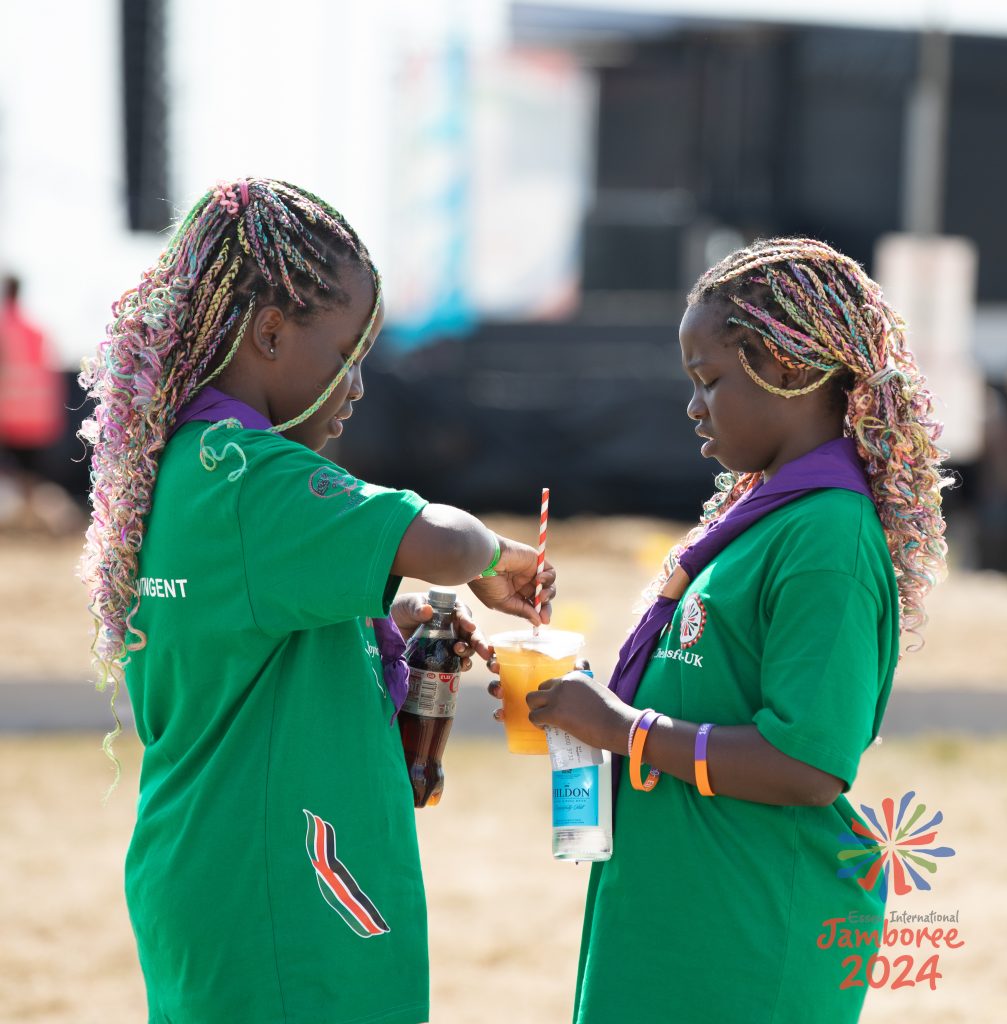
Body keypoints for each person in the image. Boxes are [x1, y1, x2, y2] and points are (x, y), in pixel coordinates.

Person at [77, 177, 556, 1024]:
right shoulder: (251, 477)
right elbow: (440, 541)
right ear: (268, 334)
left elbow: (248, 642)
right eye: (346, 357)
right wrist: (494, 556)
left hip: (215, 870)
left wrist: (379, 634)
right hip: (286, 898)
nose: (360, 389)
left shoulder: (184, 470)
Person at [504, 238, 949, 1023]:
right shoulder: (761, 521)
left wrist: (625, 731)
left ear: (783, 367)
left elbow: (806, 763)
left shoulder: (828, 538)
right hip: (681, 916)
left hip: (746, 937)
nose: (693, 406)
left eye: (709, 381)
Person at [0, 274, 66, 527]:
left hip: (8, 418)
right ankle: (38, 519)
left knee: (20, 477)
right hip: (37, 418)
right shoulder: (36, 330)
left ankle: (31, 519)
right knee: (29, 477)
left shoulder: (4, 328)